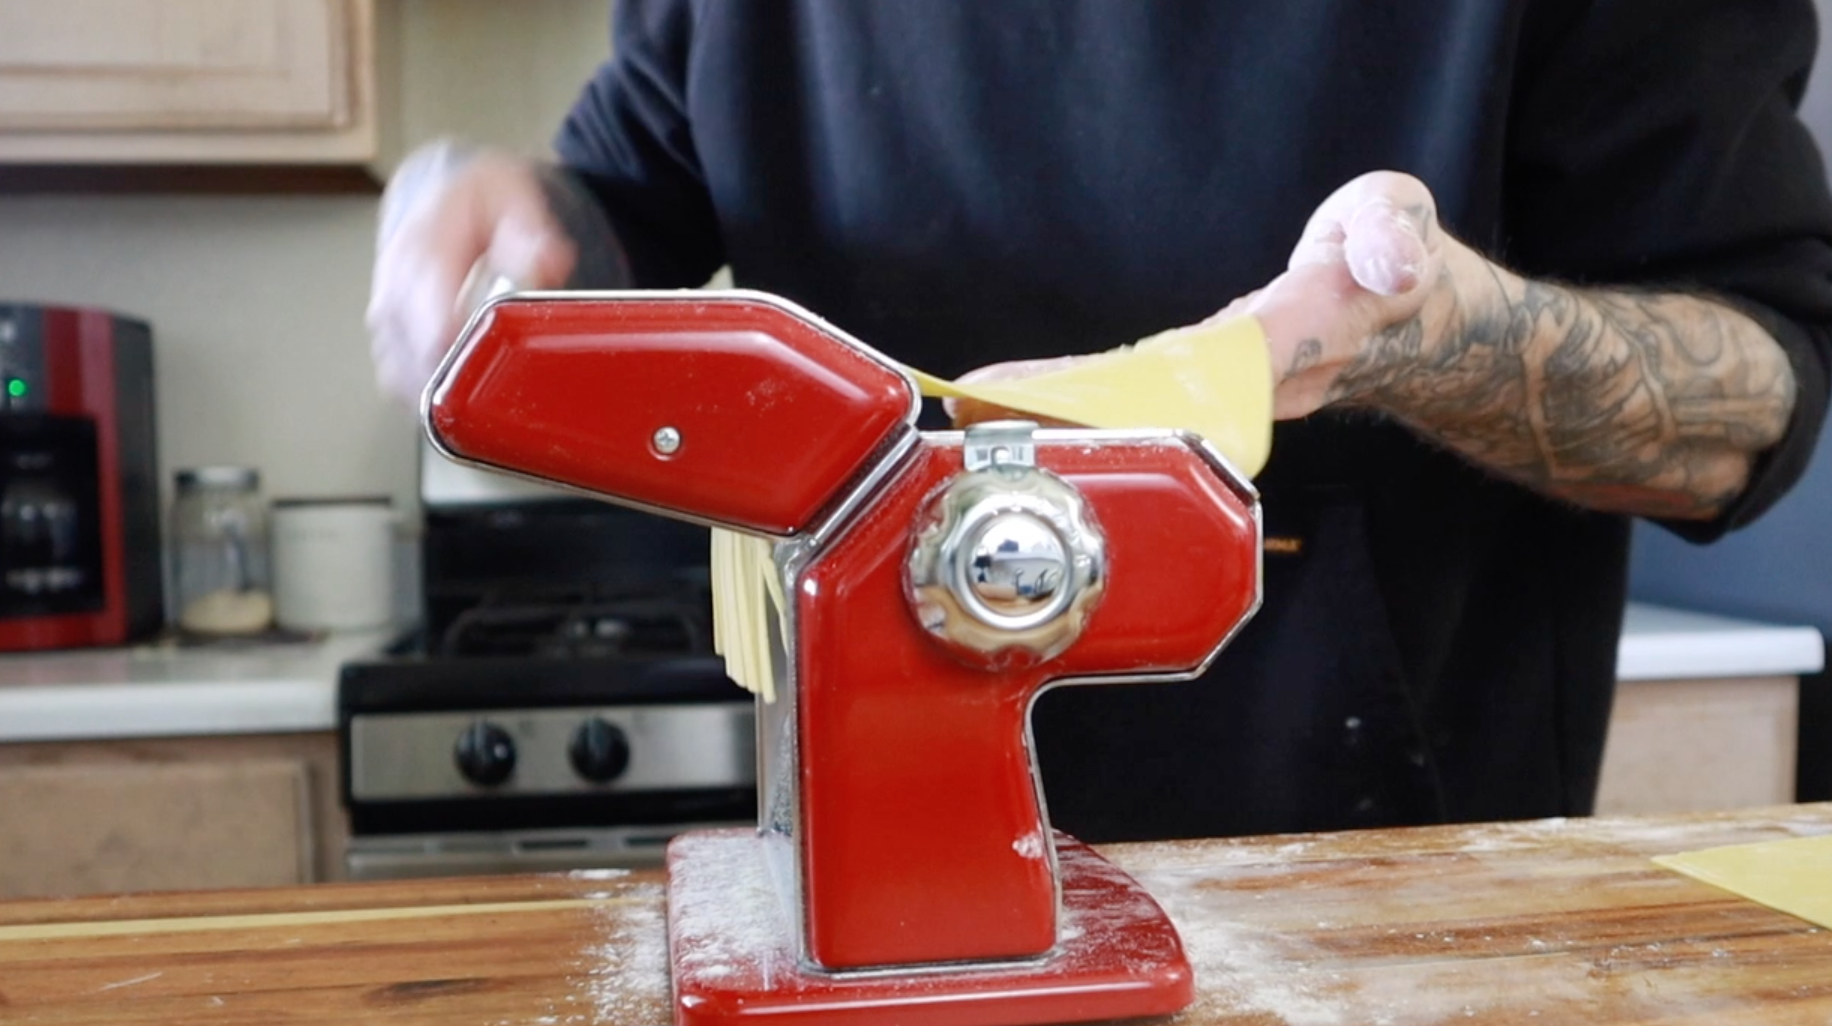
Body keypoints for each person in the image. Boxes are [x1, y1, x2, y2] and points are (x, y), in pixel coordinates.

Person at [368, 1, 1832, 840]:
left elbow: (1748, 401)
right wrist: (516, 225)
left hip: (1378, 891)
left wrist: (1431, 336)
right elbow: (623, 194)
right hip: (862, 844)